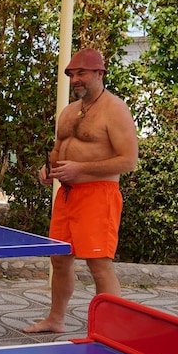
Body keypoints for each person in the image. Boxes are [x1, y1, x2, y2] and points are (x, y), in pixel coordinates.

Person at [24, 48, 139, 334]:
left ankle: (111, 328)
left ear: (99, 73)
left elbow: (128, 161)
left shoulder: (115, 109)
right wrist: (48, 170)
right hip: (67, 195)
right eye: (72, 74)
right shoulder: (68, 111)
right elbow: (58, 150)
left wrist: (81, 169)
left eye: (82, 73)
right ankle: (56, 319)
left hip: (98, 194)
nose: (75, 79)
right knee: (59, 259)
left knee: (98, 263)